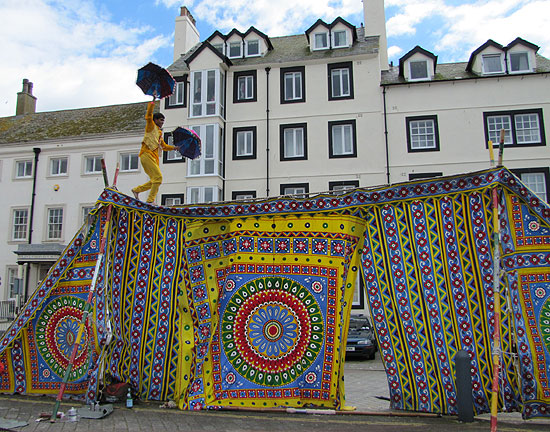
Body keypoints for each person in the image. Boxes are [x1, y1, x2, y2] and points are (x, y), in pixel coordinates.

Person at [132, 99, 177, 203]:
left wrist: (174, 148)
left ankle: (136, 190)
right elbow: (148, 116)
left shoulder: (159, 133)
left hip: (153, 157)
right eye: (161, 120)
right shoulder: (151, 126)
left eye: (163, 121)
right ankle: (150, 201)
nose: (162, 122)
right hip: (146, 154)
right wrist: (153, 101)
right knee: (158, 177)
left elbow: (164, 146)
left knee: (155, 180)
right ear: (155, 120)